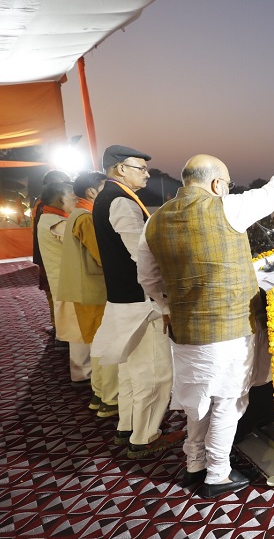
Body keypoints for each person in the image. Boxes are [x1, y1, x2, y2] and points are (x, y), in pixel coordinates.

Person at [137, 152, 274, 499]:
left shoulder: (152, 222)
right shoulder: (227, 207)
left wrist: (172, 305)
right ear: (217, 184)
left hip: (184, 334)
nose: (227, 189)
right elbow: (273, 193)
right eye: (226, 184)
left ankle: (194, 464)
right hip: (229, 333)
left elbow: (148, 279)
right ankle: (217, 474)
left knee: (197, 402)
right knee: (228, 402)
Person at [91, 145, 184, 459]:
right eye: (140, 168)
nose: (146, 173)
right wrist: (165, 301)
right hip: (140, 302)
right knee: (155, 373)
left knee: (131, 371)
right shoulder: (120, 201)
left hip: (122, 300)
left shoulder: (107, 197)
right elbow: (143, 258)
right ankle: (145, 438)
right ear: (120, 169)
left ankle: (128, 427)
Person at [58, 171, 120, 414]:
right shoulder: (87, 217)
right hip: (94, 291)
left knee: (98, 345)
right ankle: (108, 398)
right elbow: (104, 255)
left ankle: (99, 394)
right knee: (105, 346)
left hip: (87, 291)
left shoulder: (78, 215)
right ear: (93, 192)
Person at [36, 181, 92, 385]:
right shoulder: (56, 222)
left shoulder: (49, 218)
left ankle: (83, 371)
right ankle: (82, 374)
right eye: (73, 199)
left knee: (77, 327)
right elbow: (83, 241)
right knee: (79, 330)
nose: (77, 203)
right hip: (69, 283)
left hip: (65, 281)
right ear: (60, 199)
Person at [32, 169, 71, 335]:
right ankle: (59, 329)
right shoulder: (46, 207)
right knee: (55, 294)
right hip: (51, 256)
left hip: (46, 255)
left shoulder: (41, 205)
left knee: (55, 294)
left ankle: (59, 328)